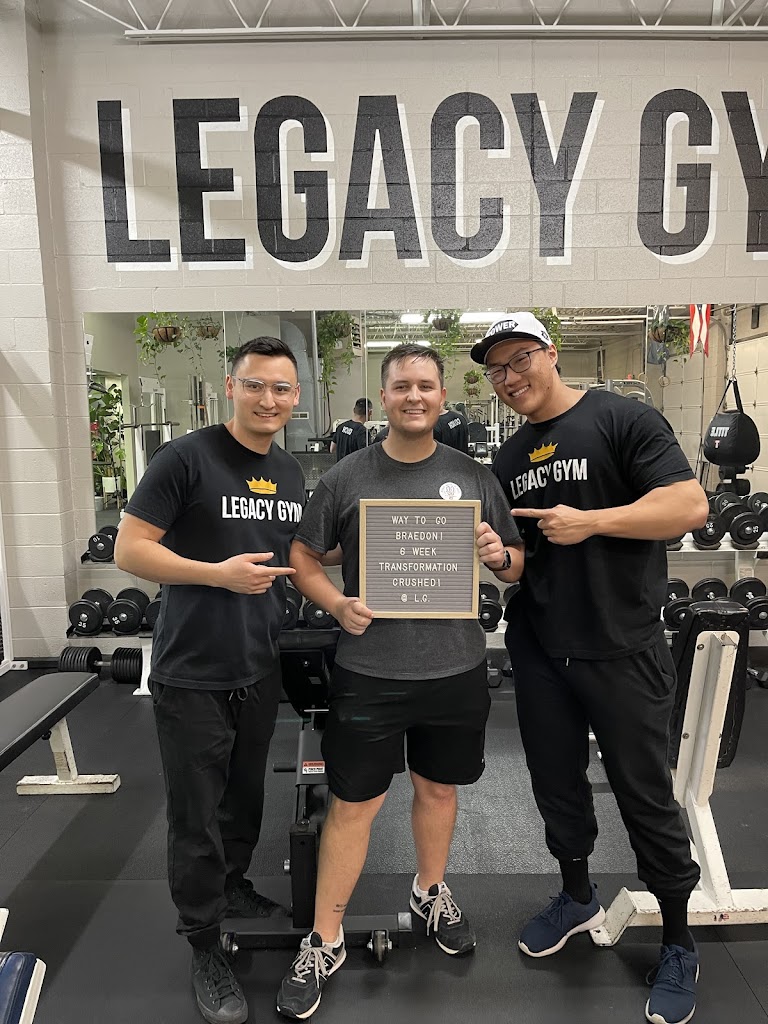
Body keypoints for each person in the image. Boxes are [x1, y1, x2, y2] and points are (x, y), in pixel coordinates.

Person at [470, 312, 710, 1024]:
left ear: (550, 353)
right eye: (497, 369)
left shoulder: (622, 419)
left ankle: (678, 939)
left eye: (520, 359)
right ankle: (577, 897)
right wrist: (499, 559)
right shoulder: (510, 457)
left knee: (644, 794)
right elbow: (523, 562)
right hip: (542, 644)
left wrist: (594, 520)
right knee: (556, 784)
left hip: (621, 643)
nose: (510, 377)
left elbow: (689, 505)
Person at [276, 343, 524, 1020]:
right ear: (383, 397)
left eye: (426, 385)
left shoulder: (474, 476)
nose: (415, 396)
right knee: (353, 804)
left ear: (442, 396)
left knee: (438, 789)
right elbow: (303, 554)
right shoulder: (347, 476)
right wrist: (336, 604)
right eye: (401, 386)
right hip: (369, 672)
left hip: (455, 669)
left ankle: (429, 892)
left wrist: (499, 553)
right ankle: (325, 938)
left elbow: (515, 563)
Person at [114, 337, 307, 1024]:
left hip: (258, 664)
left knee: (244, 801)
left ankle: (232, 886)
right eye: (255, 385)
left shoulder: (288, 471)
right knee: (195, 816)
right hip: (192, 669)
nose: (268, 399)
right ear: (231, 387)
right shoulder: (186, 458)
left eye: (281, 388)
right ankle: (203, 942)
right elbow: (129, 549)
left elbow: (294, 556)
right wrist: (215, 576)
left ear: (295, 397)